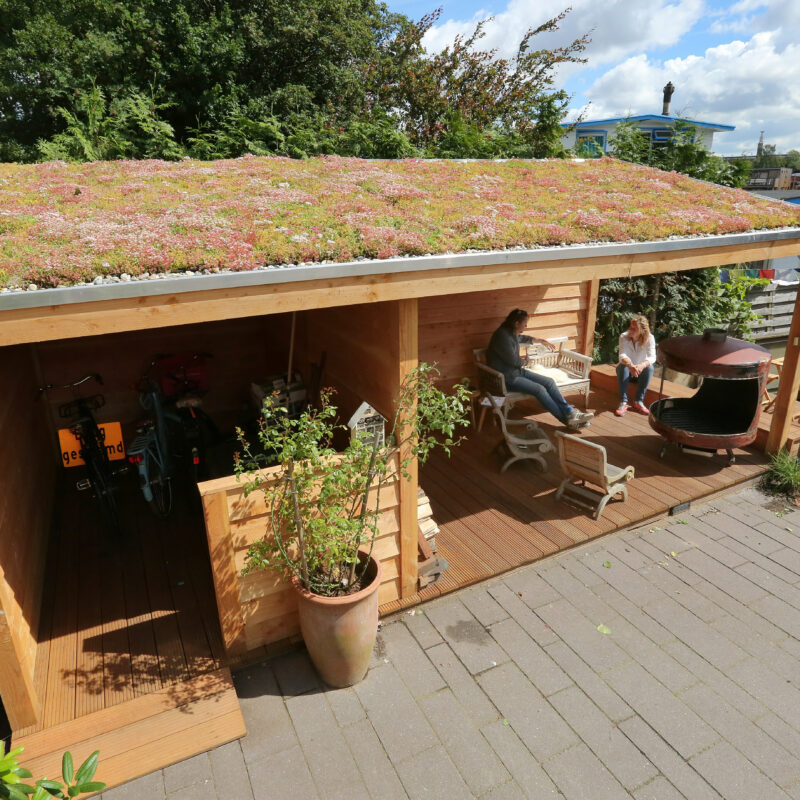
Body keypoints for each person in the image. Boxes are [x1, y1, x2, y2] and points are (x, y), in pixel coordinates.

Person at [487, 309, 594, 430]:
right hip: (506, 378)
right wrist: (526, 361)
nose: (526, 326)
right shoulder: (502, 337)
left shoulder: (510, 332)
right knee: (539, 389)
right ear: (516, 323)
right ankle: (568, 421)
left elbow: (521, 338)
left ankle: (571, 413)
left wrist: (540, 340)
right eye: (524, 323)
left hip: (516, 372)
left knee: (549, 382)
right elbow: (514, 361)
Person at [615, 315, 656, 416]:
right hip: (626, 372)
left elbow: (652, 357)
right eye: (630, 326)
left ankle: (638, 401)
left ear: (642, 330)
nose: (630, 329)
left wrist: (641, 365)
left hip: (640, 372)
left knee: (650, 368)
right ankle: (624, 402)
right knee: (622, 366)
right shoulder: (623, 336)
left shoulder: (650, 338)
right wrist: (630, 365)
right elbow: (622, 355)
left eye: (634, 328)